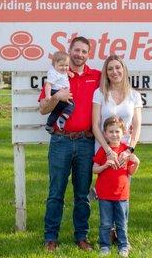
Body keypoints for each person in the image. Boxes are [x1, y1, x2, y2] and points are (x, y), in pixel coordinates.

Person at [38, 36, 101, 252]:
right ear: (69, 50)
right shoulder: (57, 74)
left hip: (86, 141)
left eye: (84, 51)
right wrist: (58, 96)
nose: (79, 54)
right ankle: (50, 238)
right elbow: (43, 109)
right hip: (60, 140)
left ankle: (82, 237)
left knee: (82, 194)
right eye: (76, 50)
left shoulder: (97, 76)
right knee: (56, 192)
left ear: (88, 54)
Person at [93, 116, 140, 257]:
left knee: (121, 223)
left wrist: (136, 163)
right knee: (106, 223)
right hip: (104, 194)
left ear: (123, 132)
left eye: (117, 131)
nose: (114, 134)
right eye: (111, 131)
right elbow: (94, 169)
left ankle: (123, 246)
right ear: (105, 133)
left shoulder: (126, 151)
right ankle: (105, 245)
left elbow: (130, 171)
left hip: (122, 194)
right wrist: (105, 165)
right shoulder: (103, 151)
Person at [92, 54, 142, 168]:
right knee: (105, 183)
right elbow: (95, 125)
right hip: (103, 148)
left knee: (123, 183)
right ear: (106, 73)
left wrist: (129, 150)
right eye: (110, 69)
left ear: (123, 69)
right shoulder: (99, 93)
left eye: (118, 67)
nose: (114, 71)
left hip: (125, 150)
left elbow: (137, 126)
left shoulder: (134, 95)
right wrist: (108, 151)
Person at [44, 50, 74, 134]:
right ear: (54, 65)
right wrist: (48, 96)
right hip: (56, 92)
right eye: (61, 65)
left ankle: (49, 125)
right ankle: (63, 118)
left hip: (60, 92)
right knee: (71, 104)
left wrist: (68, 72)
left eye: (66, 65)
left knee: (56, 111)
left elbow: (63, 72)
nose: (64, 68)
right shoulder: (53, 74)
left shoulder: (61, 71)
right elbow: (48, 85)